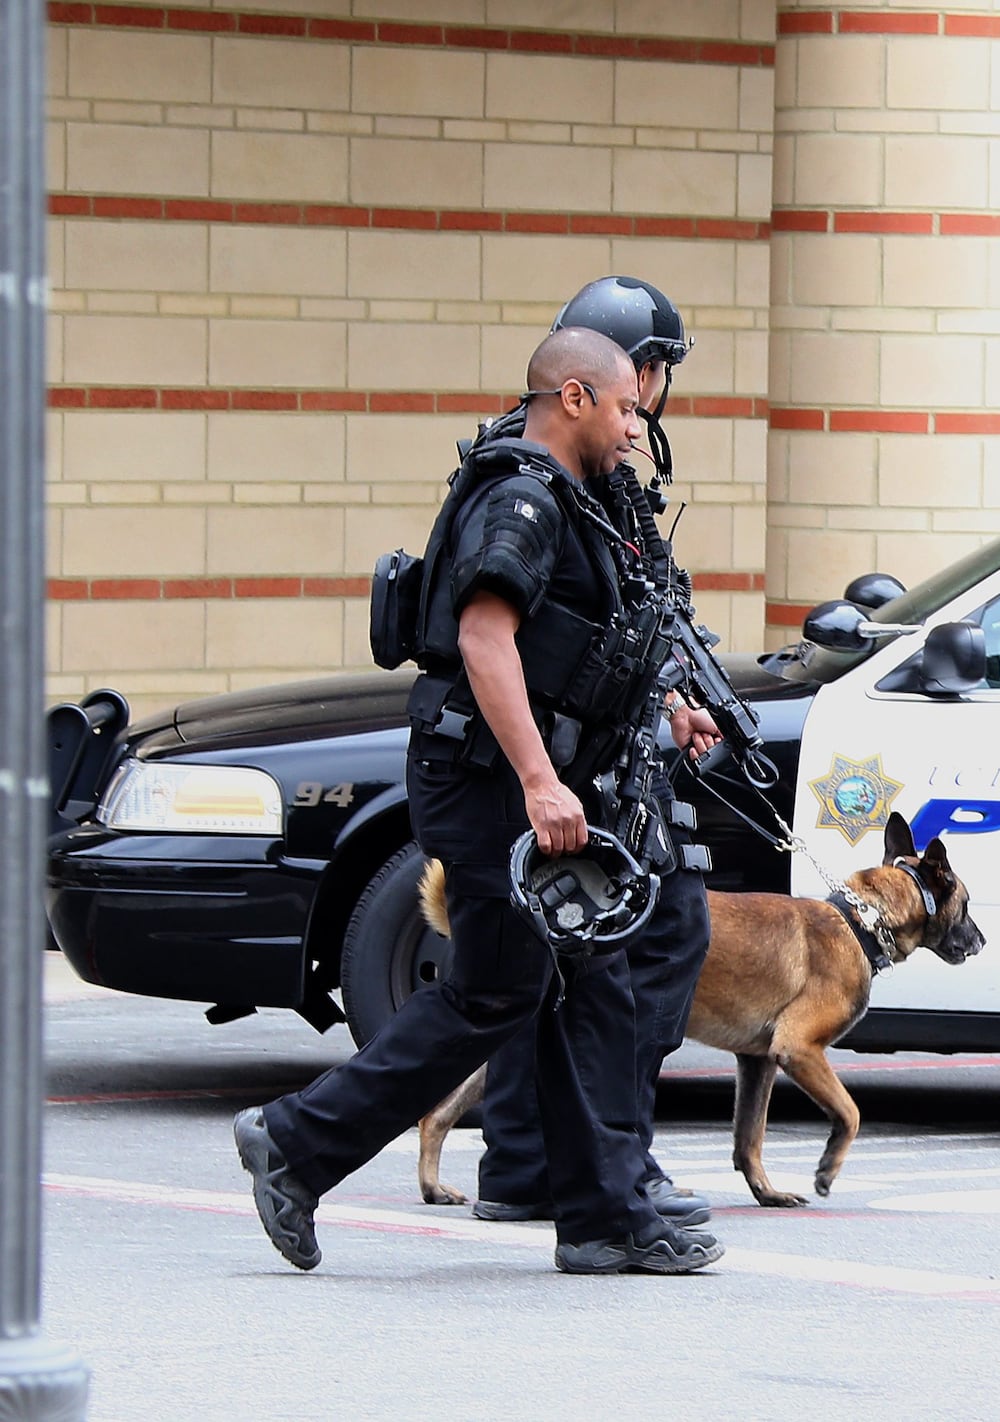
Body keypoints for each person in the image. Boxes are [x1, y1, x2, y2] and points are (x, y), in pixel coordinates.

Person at [233, 327, 723, 1275]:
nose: (636, 426)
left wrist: (665, 700)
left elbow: (578, 639)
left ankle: (587, 1213)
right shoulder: (523, 499)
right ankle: (598, 1214)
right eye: (625, 406)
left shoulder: (574, 500)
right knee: (557, 985)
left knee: (531, 989)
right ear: (574, 398)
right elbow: (487, 639)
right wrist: (542, 784)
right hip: (494, 778)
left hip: (514, 771)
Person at [466, 277, 717, 1229]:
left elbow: (621, 615)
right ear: (594, 382)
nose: (647, 400)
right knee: (646, 945)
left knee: (556, 968)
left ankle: (538, 1164)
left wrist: (666, 697)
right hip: (569, 756)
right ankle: (610, 1169)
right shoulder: (542, 480)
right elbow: (521, 631)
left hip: (594, 742)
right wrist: (544, 774)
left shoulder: (593, 471)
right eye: (644, 375)